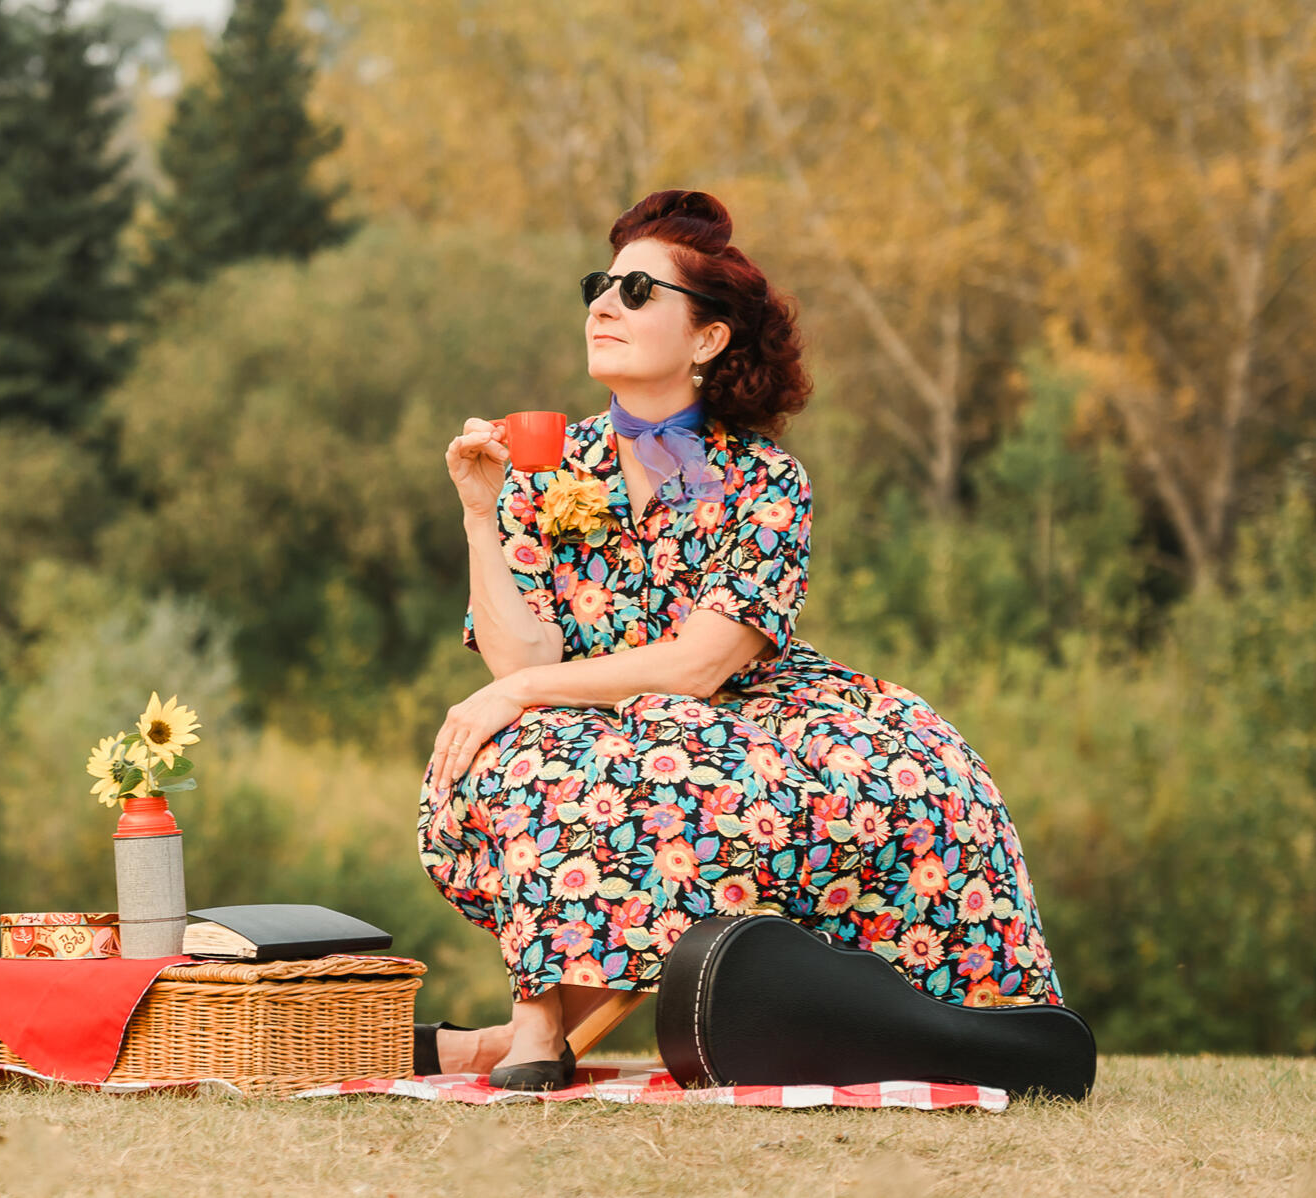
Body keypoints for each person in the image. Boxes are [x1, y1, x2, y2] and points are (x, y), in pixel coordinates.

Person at [416, 190, 1063, 1090]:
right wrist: (480, 516)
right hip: (593, 722)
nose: (603, 305)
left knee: (915, 784)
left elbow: (701, 664)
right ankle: (532, 1023)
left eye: (637, 292)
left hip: (752, 717)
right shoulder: (543, 467)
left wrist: (519, 692)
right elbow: (522, 663)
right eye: (599, 285)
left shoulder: (765, 480)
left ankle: (537, 1029)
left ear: (707, 338)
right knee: (532, 748)